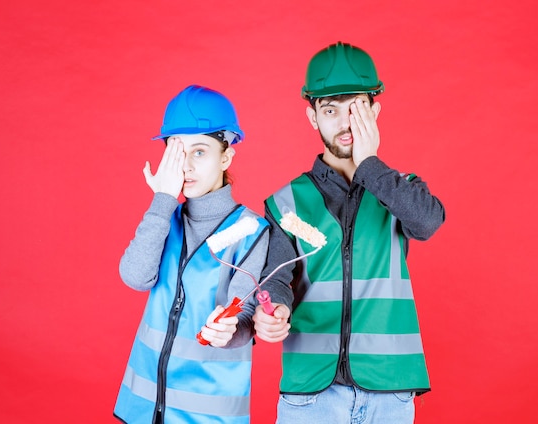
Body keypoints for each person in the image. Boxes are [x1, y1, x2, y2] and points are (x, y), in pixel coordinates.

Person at [254, 42, 446, 423]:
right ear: (312, 117)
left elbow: (427, 223)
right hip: (310, 395)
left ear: (374, 110)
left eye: (356, 108)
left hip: (389, 392)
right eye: (330, 110)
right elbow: (275, 278)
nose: (344, 123)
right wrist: (274, 309)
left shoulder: (400, 189)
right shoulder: (286, 201)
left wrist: (369, 165)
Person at [113, 85, 293, 424]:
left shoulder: (251, 231)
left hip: (207, 414)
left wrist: (229, 331)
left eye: (200, 152)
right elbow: (135, 276)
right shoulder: (164, 219)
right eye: (177, 151)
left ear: (226, 156)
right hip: (142, 408)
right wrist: (162, 200)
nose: (187, 166)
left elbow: (245, 317)